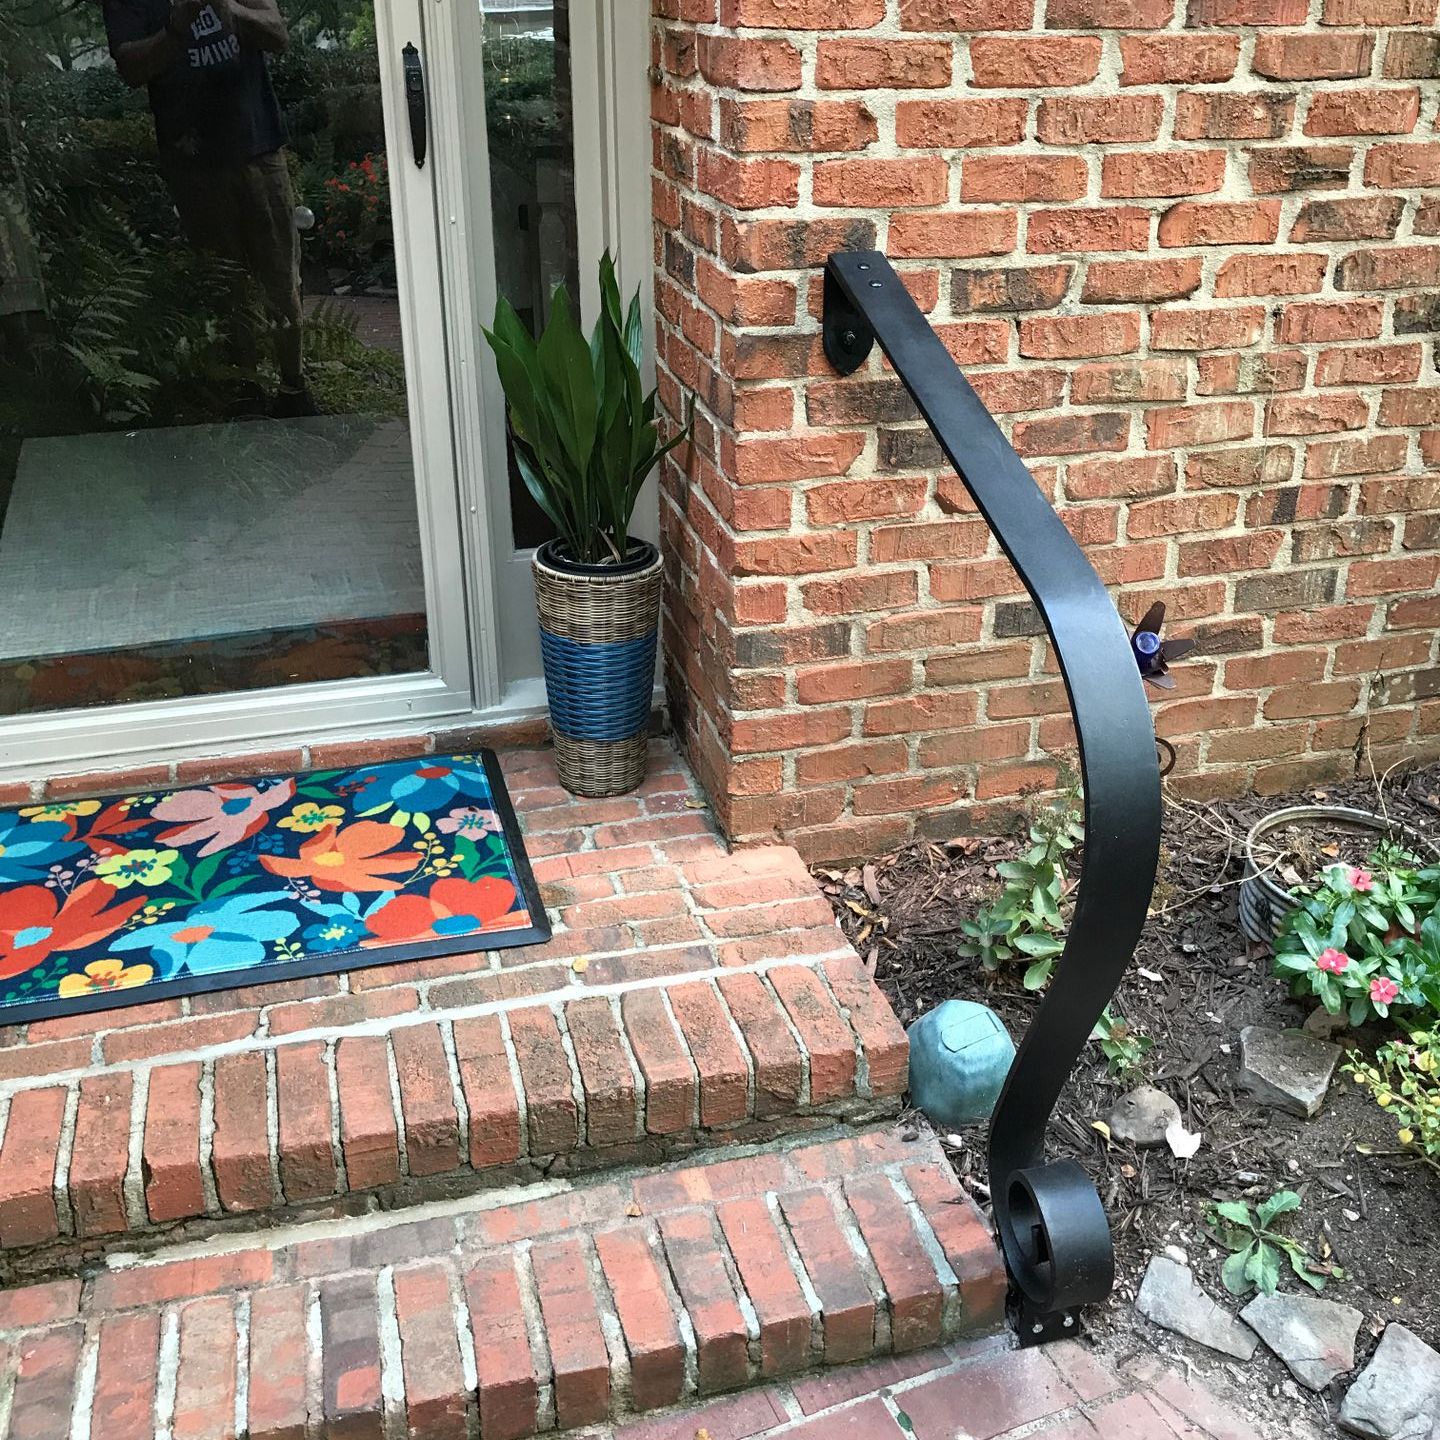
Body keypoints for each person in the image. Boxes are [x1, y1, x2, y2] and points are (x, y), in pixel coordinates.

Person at [102, 0, 317, 416]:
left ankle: (294, 387)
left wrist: (233, 11)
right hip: (193, 162)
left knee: (280, 275)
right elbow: (129, 68)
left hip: (259, 147)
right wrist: (177, 28)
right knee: (225, 287)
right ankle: (246, 392)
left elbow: (278, 33)